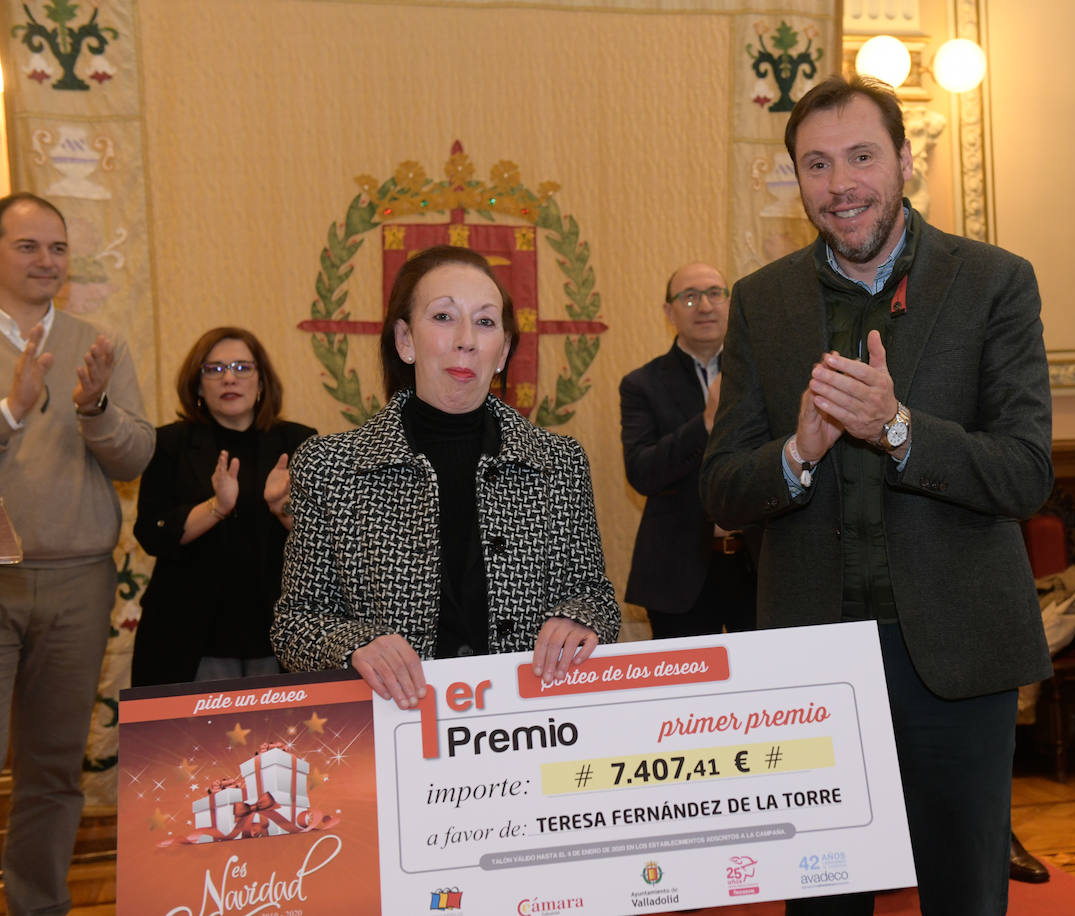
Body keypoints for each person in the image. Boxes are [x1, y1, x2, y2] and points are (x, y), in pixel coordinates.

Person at [700, 76, 1053, 916]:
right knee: (823, 905)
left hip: (957, 655)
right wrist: (796, 451)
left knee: (965, 896)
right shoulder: (762, 300)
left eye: (861, 157)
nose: (841, 184)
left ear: (903, 160)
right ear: (797, 181)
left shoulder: (995, 282)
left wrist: (898, 428)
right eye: (816, 165)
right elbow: (721, 485)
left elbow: (1025, 472)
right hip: (810, 663)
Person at [272, 246, 619, 706]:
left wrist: (580, 617)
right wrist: (355, 642)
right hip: (395, 731)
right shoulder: (329, 465)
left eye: (485, 321)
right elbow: (296, 624)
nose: (465, 340)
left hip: (528, 725)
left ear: (503, 351)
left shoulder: (558, 461)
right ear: (405, 340)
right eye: (442, 317)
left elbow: (594, 596)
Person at [0, 192, 154, 914]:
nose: (47, 261)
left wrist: (94, 410)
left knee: (52, 768)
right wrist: (11, 411)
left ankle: (38, 905)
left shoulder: (99, 343)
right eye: (28, 246)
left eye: (57, 248)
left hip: (79, 583)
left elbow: (136, 459)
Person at [131, 327, 317, 686]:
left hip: (278, 630)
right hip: (190, 634)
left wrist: (283, 509)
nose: (229, 377)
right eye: (214, 369)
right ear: (198, 386)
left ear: (261, 381)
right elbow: (151, 534)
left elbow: (326, 539)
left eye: (242, 367)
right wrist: (216, 507)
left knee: (283, 741)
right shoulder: (169, 443)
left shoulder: (298, 441)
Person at [620, 263, 755, 638]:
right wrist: (706, 424)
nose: (705, 306)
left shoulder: (762, 371)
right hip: (678, 573)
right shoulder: (642, 384)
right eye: (690, 297)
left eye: (715, 293)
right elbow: (642, 472)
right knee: (689, 691)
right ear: (669, 311)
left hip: (758, 565)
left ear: (730, 303)